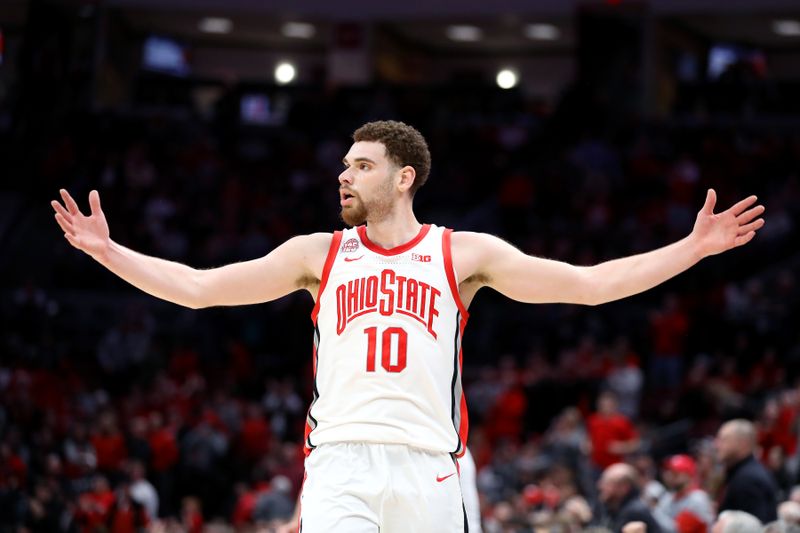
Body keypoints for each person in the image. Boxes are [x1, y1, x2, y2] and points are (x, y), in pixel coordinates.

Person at [52, 120, 766, 532]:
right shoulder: (317, 254)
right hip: (340, 461)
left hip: (432, 465)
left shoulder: (460, 253)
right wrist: (108, 251)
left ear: (403, 177)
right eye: (343, 165)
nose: (345, 175)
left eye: (361, 165)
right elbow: (200, 290)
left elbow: (591, 286)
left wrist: (693, 246)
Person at [715, 419, 779, 523]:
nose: (717, 445)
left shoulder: (748, 479)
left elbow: (753, 527)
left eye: (724, 439)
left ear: (743, 443)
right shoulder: (742, 473)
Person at [596, 462, 662, 533]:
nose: (600, 486)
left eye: (607, 483)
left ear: (624, 487)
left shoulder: (634, 512)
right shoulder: (613, 508)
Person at [657, 454, 714, 533]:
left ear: (688, 475)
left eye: (675, 474)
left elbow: (679, 530)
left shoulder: (698, 498)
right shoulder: (667, 497)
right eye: (669, 473)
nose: (670, 477)